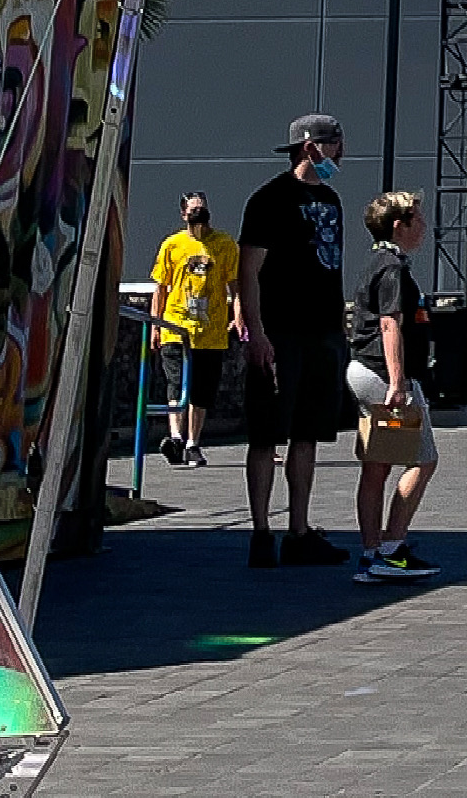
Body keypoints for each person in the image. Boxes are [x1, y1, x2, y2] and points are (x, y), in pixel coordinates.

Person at [238, 117, 350, 570]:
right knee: (267, 433)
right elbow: (248, 272)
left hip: (323, 332)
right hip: (280, 332)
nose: (341, 152)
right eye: (335, 144)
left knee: (309, 434)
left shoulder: (330, 198)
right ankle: (261, 530)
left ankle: (299, 532)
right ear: (310, 147)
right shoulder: (269, 199)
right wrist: (256, 332)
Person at [348, 189, 438, 583]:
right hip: (383, 377)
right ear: (398, 226)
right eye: (416, 219)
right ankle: (390, 546)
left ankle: (373, 555)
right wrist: (398, 382)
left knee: (377, 466)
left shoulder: (383, 263)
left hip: (364, 371)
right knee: (423, 459)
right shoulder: (392, 269)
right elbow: (389, 324)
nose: (423, 226)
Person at [148, 191, 237, 467]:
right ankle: (175, 437)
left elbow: (234, 285)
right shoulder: (172, 245)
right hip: (176, 326)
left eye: (202, 208)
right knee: (176, 383)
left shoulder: (223, 245)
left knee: (201, 390)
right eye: (193, 209)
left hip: (210, 332)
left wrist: (238, 315)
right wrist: (155, 325)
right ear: (183, 214)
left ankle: (192, 442)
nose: (198, 213)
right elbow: (160, 288)